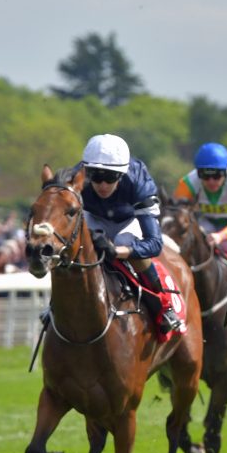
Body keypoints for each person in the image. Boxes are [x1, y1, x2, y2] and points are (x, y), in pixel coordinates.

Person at [77, 133, 185, 335]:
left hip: (129, 220)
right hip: (92, 216)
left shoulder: (139, 183)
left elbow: (154, 244)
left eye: (109, 178)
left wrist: (117, 251)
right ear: (86, 171)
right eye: (95, 176)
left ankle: (164, 305)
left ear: (121, 174)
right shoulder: (76, 178)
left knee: (123, 240)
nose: (102, 185)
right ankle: (55, 306)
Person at [171, 142, 227, 263]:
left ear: (225, 172)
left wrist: (220, 236)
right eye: (205, 176)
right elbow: (175, 214)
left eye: (216, 175)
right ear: (198, 173)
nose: (211, 181)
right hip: (206, 223)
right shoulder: (188, 183)